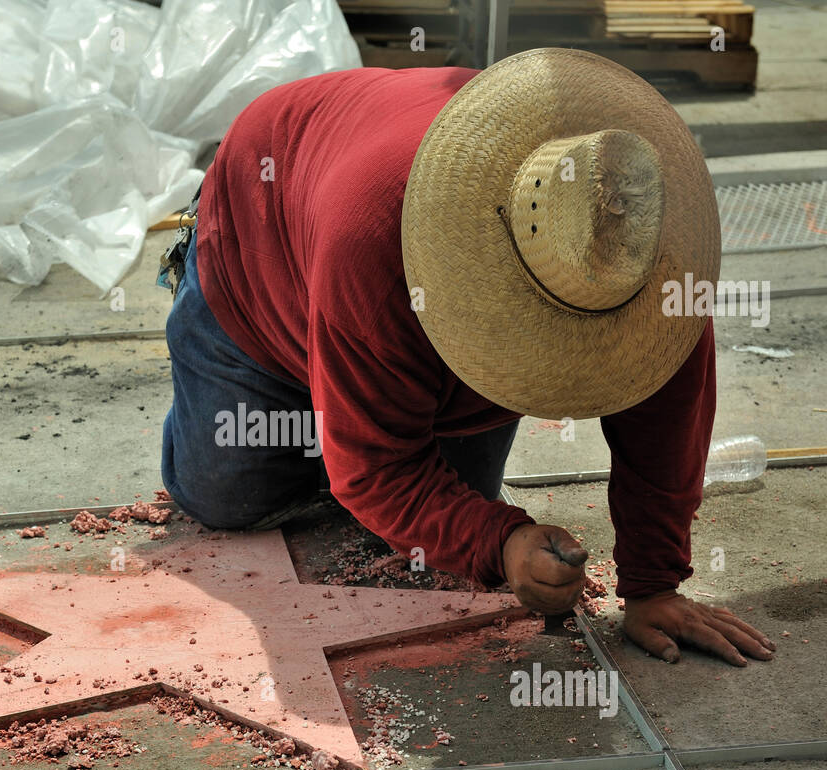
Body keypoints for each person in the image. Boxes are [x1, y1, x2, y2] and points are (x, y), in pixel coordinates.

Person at [158, 49, 775, 667]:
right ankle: (296, 390)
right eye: (541, 324)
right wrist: (499, 542)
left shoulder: (643, 238)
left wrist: (654, 583)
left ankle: (343, 417)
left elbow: (668, 420)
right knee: (227, 500)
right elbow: (375, 469)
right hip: (259, 251)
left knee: (440, 515)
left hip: (362, 272)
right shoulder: (373, 238)